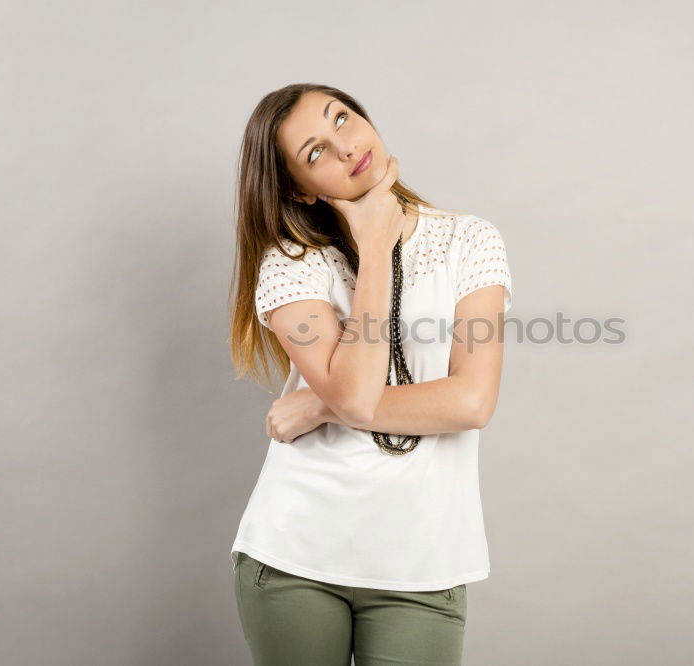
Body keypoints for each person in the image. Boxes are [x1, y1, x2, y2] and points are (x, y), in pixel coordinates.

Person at [227, 83, 513, 666]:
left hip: (422, 562)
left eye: (343, 119)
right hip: (296, 559)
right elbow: (357, 395)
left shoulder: (470, 241)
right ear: (300, 193)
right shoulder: (291, 263)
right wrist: (377, 244)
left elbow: (472, 402)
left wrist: (319, 405)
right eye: (315, 153)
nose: (345, 146)